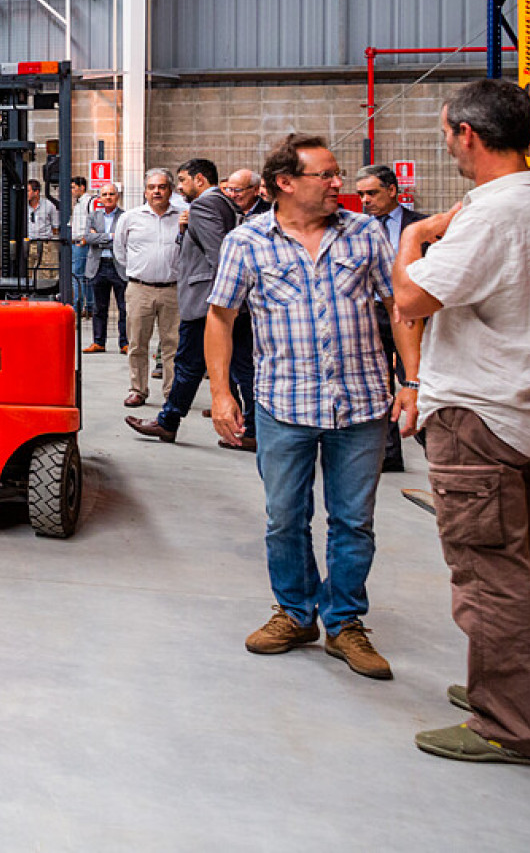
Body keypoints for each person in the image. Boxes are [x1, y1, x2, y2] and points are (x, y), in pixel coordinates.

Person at [206, 134, 416, 680]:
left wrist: (412, 380)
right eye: (326, 175)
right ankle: (296, 613)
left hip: (361, 403)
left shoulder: (365, 233)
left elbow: (399, 307)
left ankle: (344, 623)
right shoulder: (247, 241)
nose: (338, 184)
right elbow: (221, 317)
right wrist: (222, 393)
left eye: (337, 174)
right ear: (285, 183)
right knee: (285, 518)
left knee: (353, 521)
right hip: (284, 402)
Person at [389, 80, 530, 765]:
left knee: (489, 577)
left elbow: (411, 297)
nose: (449, 145)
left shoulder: (492, 215)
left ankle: (506, 722)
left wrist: (415, 235)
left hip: (482, 417)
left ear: (469, 135)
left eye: (448, 134)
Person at [129, 161, 257, 449]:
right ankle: (250, 428)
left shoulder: (204, 205)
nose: (180, 187)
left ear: (199, 179)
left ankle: (168, 422)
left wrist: (225, 301)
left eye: (183, 180)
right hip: (219, 302)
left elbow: (219, 254)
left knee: (189, 364)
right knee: (237, 366)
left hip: (207, 302)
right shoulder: (223, 203)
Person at [354, 163, 424, 472]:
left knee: (415, 379)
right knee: (379, 387)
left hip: (411, 315)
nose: (365, 200)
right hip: (372, 314)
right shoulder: (357, 230)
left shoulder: (419, 226)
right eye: (361, 195)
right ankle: (389, 453)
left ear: (392, 190)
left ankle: (430, 439)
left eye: (371, 193)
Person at [113, 169, 181, 410]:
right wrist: (138, 271)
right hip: (139, 289)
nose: (157, 191)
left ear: (170, 190)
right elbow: (119, 251)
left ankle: (172, 393)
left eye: (162, 187)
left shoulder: (182, 217)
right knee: (137, 343)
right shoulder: (130, 218)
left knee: (173, 345)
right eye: (152, 187)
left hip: (173, 290)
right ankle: (137, 389)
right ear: (145, 191)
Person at [81, 182, 127, 353]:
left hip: (118, 266)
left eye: (111, 194)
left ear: (117, 197)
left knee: (124, 308)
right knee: (99, 308)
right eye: (105, 194)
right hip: (98, 266)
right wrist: (111, 237)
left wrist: (99, 237)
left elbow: (124, 239)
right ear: (100, 198)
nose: (108, 197)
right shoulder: (93, 216)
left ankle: (125, 343)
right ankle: (99, 342)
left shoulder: (125, 217)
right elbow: (87, 238)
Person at [24, 178, 59, 287]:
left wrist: (47, 237)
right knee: (27, 271)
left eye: (28, 191)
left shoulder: (49, 205)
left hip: (45, 243)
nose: (26, 193)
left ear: (36, 192)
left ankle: (46, 292)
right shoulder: (24, 206)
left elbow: (55, 226)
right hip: (29, 243)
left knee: (47, 272)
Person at [69, 176, 93, 317]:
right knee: (84, 277)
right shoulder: (77, 203)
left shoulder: (88, 202)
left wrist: (85, 239)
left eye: (73, 187)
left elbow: (92, 221)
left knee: (77, 276)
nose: (71, 191)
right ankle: (88, 307)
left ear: (82, 187)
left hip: (81, 243)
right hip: (76, 243)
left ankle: (78, 307)